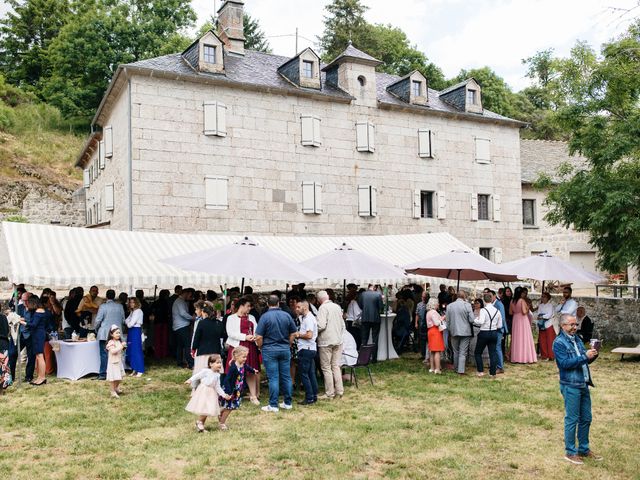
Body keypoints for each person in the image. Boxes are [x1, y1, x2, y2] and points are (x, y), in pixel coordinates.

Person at [553, 314, 601, 465]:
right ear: (563, 326)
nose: (574, 327)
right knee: (572, 419)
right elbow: (564, 364)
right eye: (571, 325)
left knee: (586, 418)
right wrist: (584, 357)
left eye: (575, 324)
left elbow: (584, 360)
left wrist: (593, 355)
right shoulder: (559, 343)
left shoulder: (578, 339)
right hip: (570, 384)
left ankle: (584, 449)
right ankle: (570, 452)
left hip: (583, 383)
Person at [255, 295, 297, 412]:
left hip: (269, 349)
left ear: (268, 304)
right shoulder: (286, 315)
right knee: (286, 377)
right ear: (279, 303)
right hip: (284, 349)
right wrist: (288, 344)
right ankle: (287, 403)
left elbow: (259, 336)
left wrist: (260, 346)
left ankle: (273, 405)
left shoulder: (264, 317)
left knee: (273, 378)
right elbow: (294, 333)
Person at [225, 297, 260, 405]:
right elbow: (230, 333)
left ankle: (253, 395)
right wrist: (245, 337)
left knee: (250, 371)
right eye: (248, 306)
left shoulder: (252, 317)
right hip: (237, 346)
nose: (249, 308)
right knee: (234, 371)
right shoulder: (231, 318)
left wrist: (254, 337)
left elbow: (256, 330)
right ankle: (230, 393)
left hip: (250, 347)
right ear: (241, 306)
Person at [185, 354, 230, 432]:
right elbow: (197, 376)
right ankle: (199, 422)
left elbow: (217, 387)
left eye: (220, 363)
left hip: (211, 393)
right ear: (210, 364)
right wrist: (190, 380)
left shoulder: (217, 375)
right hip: (204, 391)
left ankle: (201, 424)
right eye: (217, 363)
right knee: (205, 407)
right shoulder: (206, 371)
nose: (219, 364)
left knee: (208, 408)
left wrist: (224, 395)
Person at [316, 291, 346, 400]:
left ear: (319, 300)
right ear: (327, 297)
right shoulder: (337, 307)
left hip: (326, 341)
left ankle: (329, 393)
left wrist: (314, 328)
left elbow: (321, 325)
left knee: (326, 367)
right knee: (335, 366)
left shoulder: (323, 308)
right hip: (338, 340)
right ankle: (340, 390)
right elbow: (343, 324)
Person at [219, 346, 257, 430]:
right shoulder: (233, 367)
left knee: (230, 407)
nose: (245, 359)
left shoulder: (242, 364)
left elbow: (247, 367)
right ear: (236, 356)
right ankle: (222, 423)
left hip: (237, 390)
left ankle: (220, 412)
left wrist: (253, 370)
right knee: (229, 407)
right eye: (243, 357)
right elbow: (227, 380)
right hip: (230, 390)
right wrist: (228, 392)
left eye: (246, 356)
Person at [94, 289, 125, 380]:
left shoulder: (103, 306)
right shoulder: (120, 306)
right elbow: (123, 320)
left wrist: (96, 330)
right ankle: (117, 372)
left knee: (104, 354)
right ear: (114, 296)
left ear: (106, 297)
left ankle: (103, 374)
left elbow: (98, 320)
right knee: (117, 353)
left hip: (104, 333)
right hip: (117, 333)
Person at [473, 293, 503, 378]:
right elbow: (500, 325)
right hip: (493, 333)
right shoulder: (497, 311)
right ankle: (492, 373)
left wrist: (476, 320)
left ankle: (480, 371)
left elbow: (481, 321)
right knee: (492, 353)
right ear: (492, 299)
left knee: (478, 352)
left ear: (484, 300)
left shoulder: (483, 310)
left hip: (484, 332)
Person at [294, 300, 318, 405]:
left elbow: (309, 335)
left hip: (306, 348)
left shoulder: (308, 319)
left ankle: (309, 397)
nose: (296, 309)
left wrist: (298, 335)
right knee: (311, 373)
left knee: (303, 373)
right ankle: (314, 395)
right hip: (310, 348)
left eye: (298, 307)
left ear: (305, 307)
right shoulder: (304, 318)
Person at [24, 295, 51, 386]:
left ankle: (42, 377)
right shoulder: (38, 311)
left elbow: (33, 324)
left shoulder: (39, 311)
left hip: (39, 335)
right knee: (38, 356)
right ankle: (39, 377)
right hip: (37, 334)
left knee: (40, 356)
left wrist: (21, 322)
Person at [446, 290, 475, 375]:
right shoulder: (468, 305)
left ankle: (455, 368)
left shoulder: (450, 306)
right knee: (463, 352)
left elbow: (447, 321)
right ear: (464, 297)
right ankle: (461, 370)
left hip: (454, 331)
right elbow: (472, 319)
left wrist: (449, 330)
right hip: (465, 332)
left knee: (455, 351)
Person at [192, 301, 225, 374]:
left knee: (202, 371)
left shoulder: (201, 323)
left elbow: (197, 337)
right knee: (215, 372)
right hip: (216, 350)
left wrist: (194, 348)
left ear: (204, 313)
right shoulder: (219, 323)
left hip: (203, 351)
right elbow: (223, 335)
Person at [509, 287, 537, 364]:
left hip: (515, 319)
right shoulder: (521, 300)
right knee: (525, 337)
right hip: (522, 320)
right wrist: (528, 307)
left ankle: (516, 357)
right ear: (521, 293)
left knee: (517, 338)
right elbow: (524, 312)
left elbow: (510, 313)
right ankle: (525, 357)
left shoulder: (512, 301)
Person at [358, 285, 383, 362]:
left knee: (364, 339)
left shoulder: (362, 294)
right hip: (375, 318)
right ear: (374, 287)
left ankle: (363, 358)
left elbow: (360, 305)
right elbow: (381, 306)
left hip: (365, 318)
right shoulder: (378, 294)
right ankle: (374, 358)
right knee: (375, 339)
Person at [172, 288, 195, 369]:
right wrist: (192, 318)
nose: (191, 297)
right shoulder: (180, 302)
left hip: (178, 326)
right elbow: (183, 313)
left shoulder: (179, 301)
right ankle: (190, 364)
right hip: (182, 326)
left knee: (180, 345)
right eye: (190, 295)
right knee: (187, 345)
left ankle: (180, 362)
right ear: (186, 293)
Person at [125, 297, 145, 377]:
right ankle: (134, 368)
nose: (131, 304)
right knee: (131, 350)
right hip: (132, 332)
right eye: (130, 302)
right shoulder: (132, 311)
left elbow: (130, 324)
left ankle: (140, 369)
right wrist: (128, 322)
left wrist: (128, 322)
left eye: (133, 302)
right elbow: (126, 320)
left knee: (136, 350)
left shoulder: (138, 311)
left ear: (136, 303)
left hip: (135, 331)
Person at [489, 290, 507, 373]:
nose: (489, 298)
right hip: (492, 329)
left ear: (494, 296)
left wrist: (501, 330)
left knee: (497, 348)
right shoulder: (492, 304)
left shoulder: (499, 304)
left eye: (490, 296)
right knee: (494, 348)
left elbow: (502, 318)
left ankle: (500, 367)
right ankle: (496, 365)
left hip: (498, 329)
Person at [106, 325, 126, 398]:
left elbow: (120, 350)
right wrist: (121, 346)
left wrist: (123, 347)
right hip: (113, 363)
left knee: (119, 377)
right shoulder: (111, 342)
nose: (118, 334)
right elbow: (113, 351)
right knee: (113, 378)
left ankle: (116, 388)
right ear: (111, 334)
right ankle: (112, 391)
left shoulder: (118, 341)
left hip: (118, 362)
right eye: (116, 333)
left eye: (119, 333)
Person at [425, 298, 445, 374]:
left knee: (432, 350)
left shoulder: (428, 312)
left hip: (430, 331)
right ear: (434, 304)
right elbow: (436, 323)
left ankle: (432, 368)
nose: (438, 304)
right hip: (435, 331)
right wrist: (442, 318)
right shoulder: (434, 312)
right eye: (437, 303)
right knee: (437, 350)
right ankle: (437, 369)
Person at [150, 289, 171, 359]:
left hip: (157, 322)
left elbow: (152, 311)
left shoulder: (156, 302)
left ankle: (158, 354)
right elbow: (168, 312)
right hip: (164, 322)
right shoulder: (167, 303)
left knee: (157, 339)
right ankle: (164, 354)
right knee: (164, 339)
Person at [535, 292, 556, 360]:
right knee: (542, 340)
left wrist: (542, 316)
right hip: (541, 324)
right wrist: (542, 316)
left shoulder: (550, 305)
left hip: (549, 324)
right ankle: (544, 355)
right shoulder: (540, 305)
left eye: (544, 297)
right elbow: (538, 314)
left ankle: (551, 356)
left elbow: (549, 315)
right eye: (542, 296)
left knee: (550, 340)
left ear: (548, 298)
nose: (543, 298)